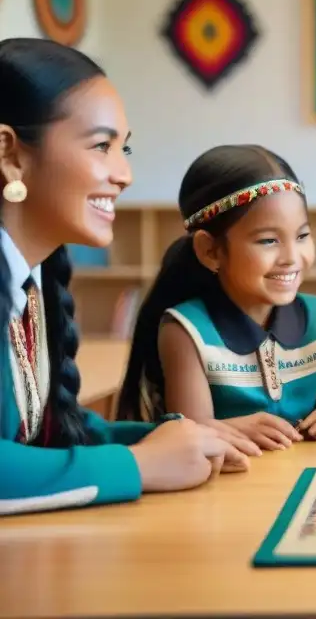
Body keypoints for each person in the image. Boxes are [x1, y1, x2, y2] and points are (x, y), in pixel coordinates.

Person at [0, 38, 246, 516]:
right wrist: (138, 464)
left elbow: (42, 436)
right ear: (10, 154)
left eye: (123, 147)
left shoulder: (31, 282)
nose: (124, 174)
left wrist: (174, 437)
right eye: (101, 146)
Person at [116, 145, 316, 450]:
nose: (291, 257)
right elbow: (189, 433)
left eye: (302, 236)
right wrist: (231, 429)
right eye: (268, 240)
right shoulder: (186, 330)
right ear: (210, 251)